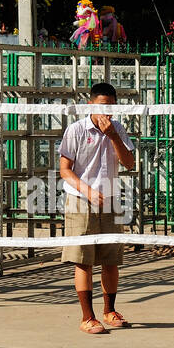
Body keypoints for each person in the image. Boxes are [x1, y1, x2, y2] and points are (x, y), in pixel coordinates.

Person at [58, 81, 136, 334]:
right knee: (83, 260)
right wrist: (87, 190)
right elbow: (65, 171)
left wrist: (113, 134)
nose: (107, 111)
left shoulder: (118, 129)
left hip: (111, 200)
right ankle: (87, 316)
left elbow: (130, 164)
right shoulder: (76, 130)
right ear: (90, 104)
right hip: (81, 200)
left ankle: (109, 310)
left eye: (111, 106)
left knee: (111, 259)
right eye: (103, 106)